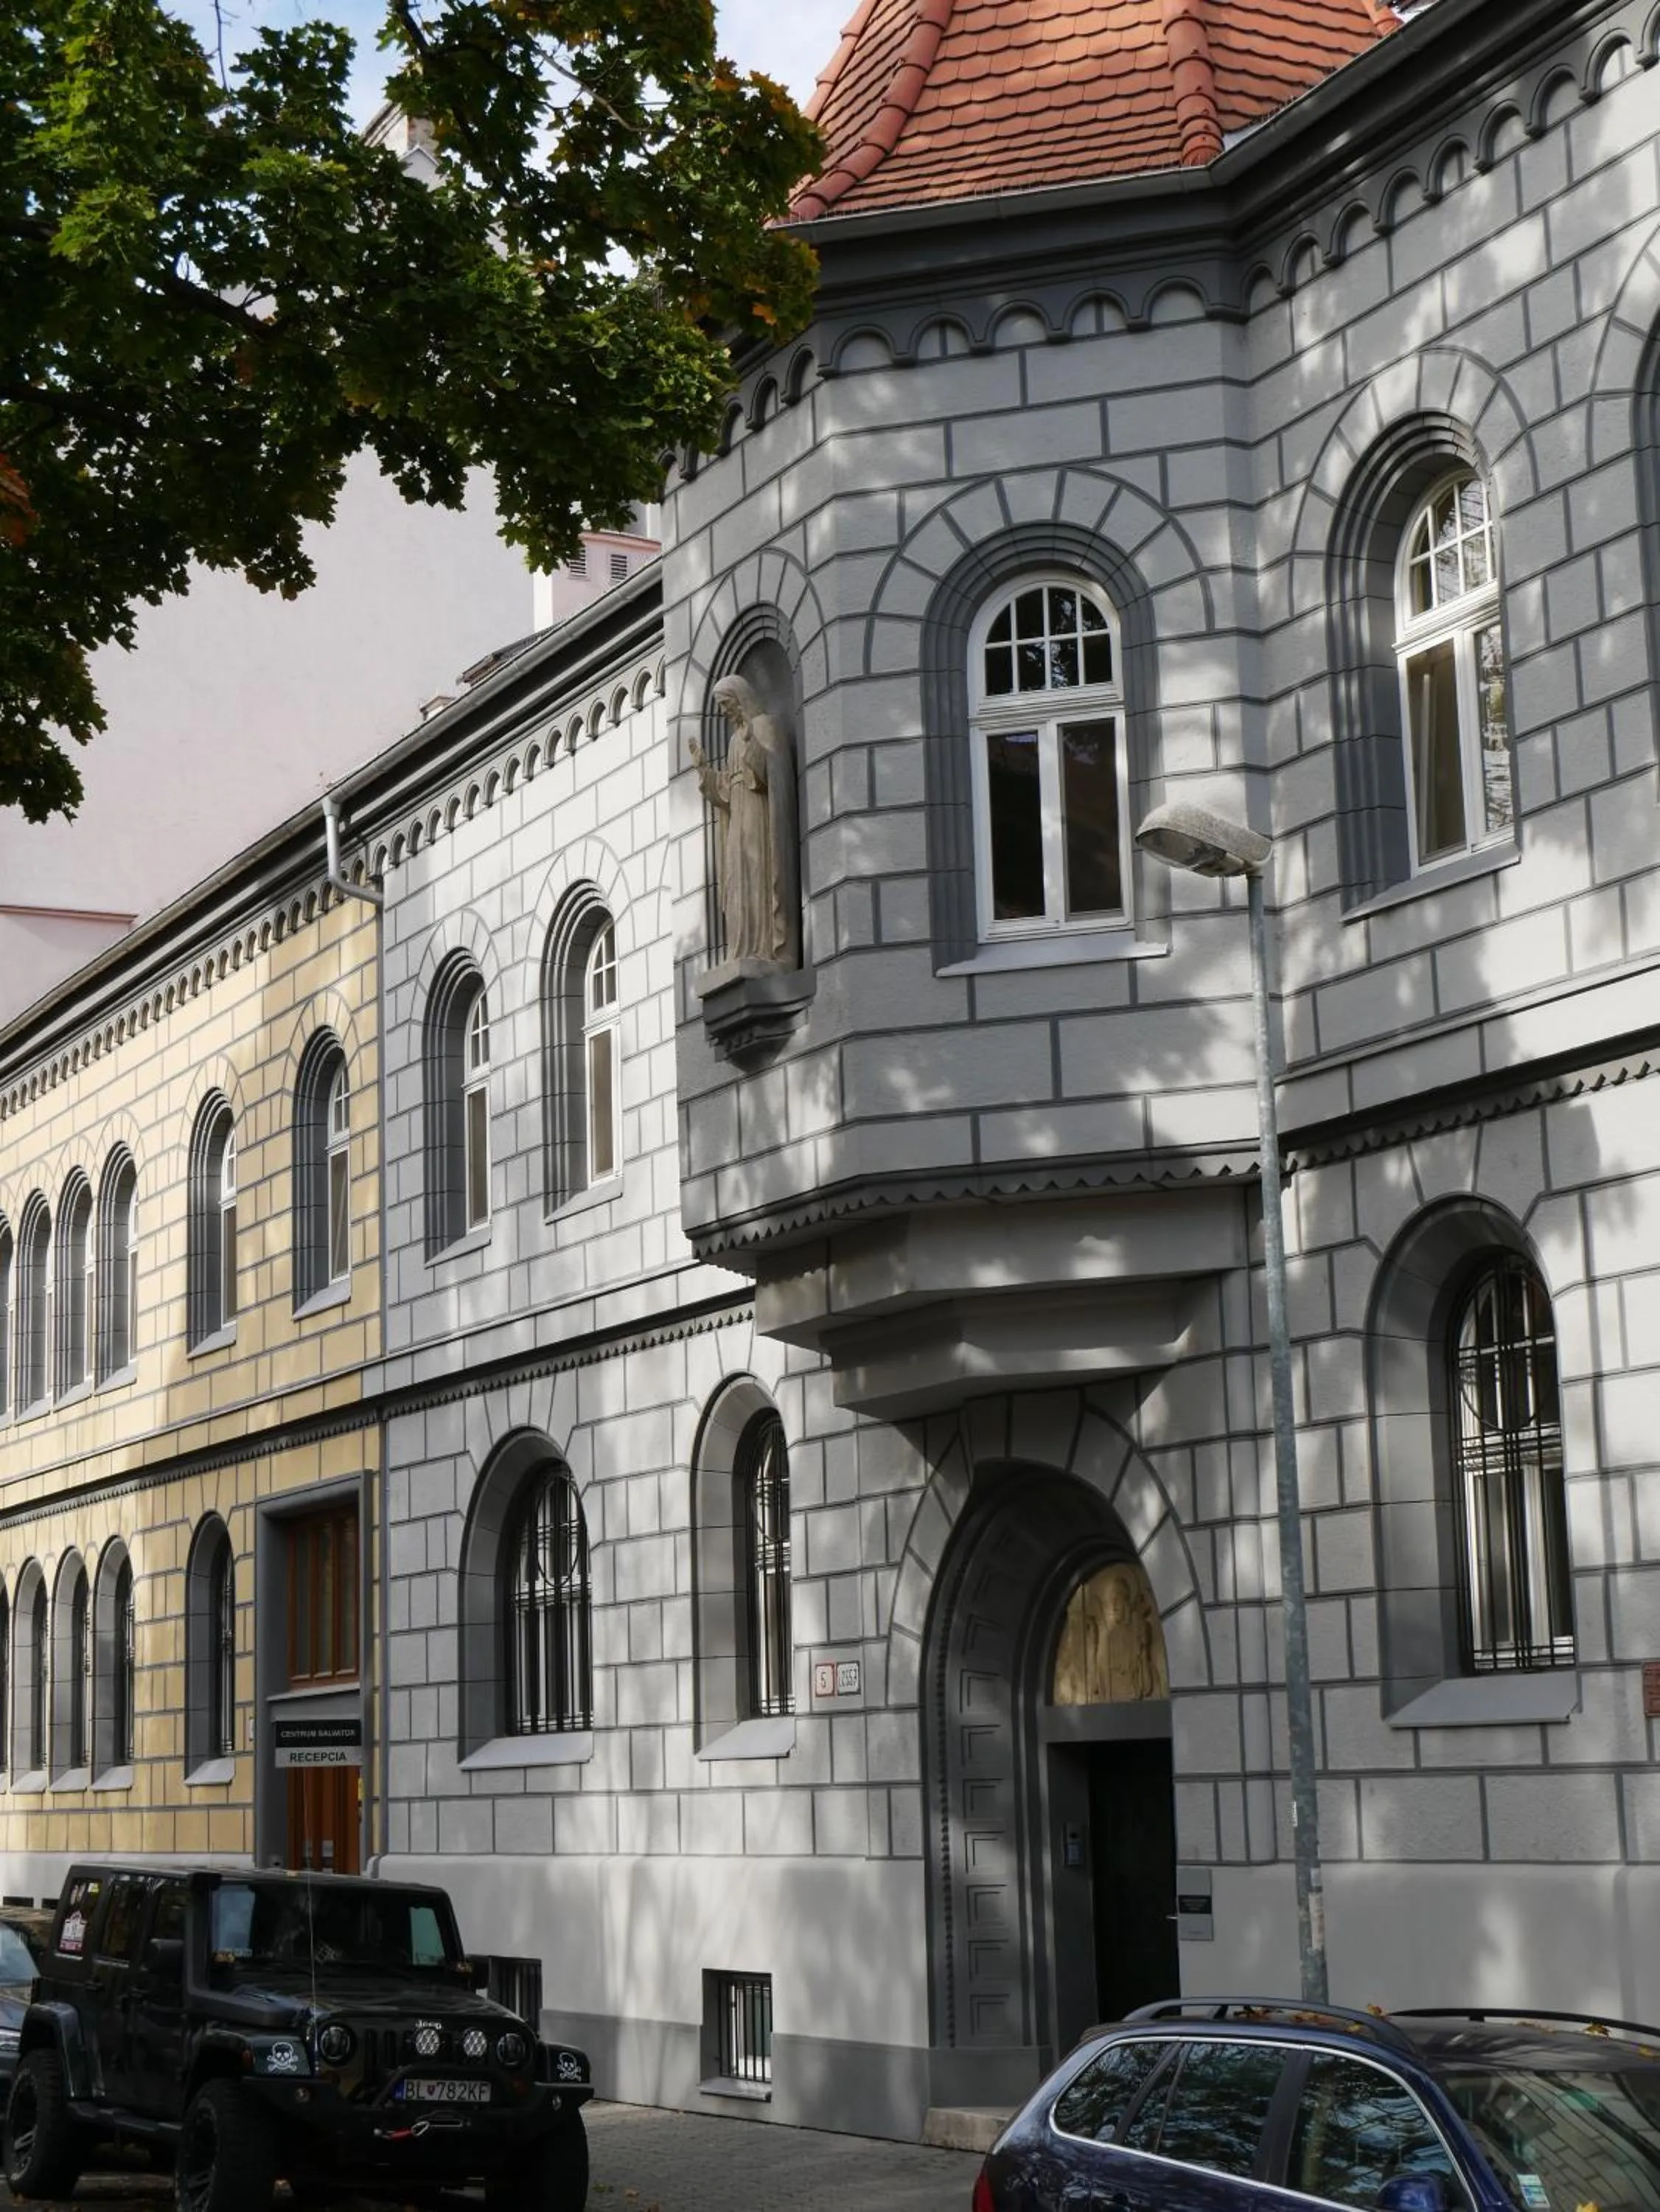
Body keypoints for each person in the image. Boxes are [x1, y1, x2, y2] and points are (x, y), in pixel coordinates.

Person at [688, 674, 795, 966]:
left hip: (760, 818)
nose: (724, 712)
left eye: (726, 705)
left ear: (740, 700)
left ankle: (765, 947)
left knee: (758, 875)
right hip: (738, 821)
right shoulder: (736, 738)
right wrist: (706, 773)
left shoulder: (764, 726)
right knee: (738, 879)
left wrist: (753, 749)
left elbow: (771, 776)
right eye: (721, 707)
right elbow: (729, 788)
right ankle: (743, 947)